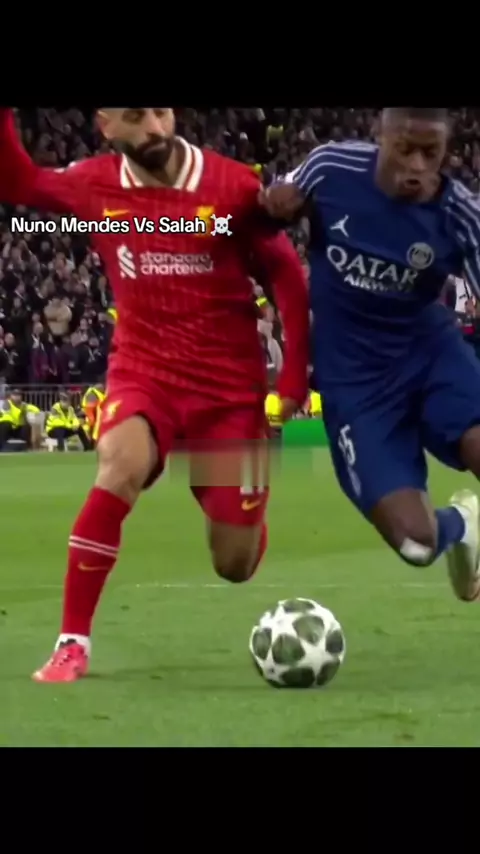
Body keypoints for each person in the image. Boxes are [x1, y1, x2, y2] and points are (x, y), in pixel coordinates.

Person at [0, 107, 309, 682]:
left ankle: (227, 495)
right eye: (136, 117)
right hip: (146, 374)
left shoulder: (232, 189)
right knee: (119, 466)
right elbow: (17, 182)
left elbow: (285, 275)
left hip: (229, 392)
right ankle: (72, 643)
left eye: (162, 112)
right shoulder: (95, 185)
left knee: (234, 564)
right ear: (107, 126)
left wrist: (293, 375)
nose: (155, 129)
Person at [261, 107, 480, 604]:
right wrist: (277, 201)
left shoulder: (460, 214)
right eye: (405, 149)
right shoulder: (330, 168)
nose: (417, 165)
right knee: (417, 544)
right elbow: (276, 200)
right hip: (354, 382)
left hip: (429, 356)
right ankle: (463, 525)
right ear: (379, 136)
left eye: (431, 153)